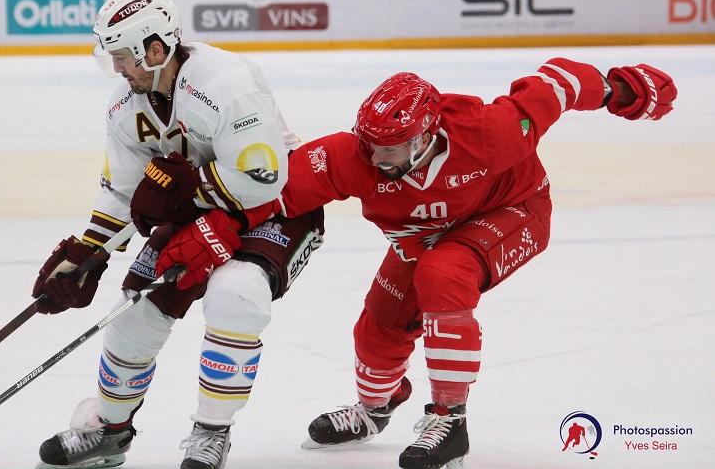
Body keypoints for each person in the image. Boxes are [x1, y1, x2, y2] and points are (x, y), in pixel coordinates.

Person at [156, 60, 676, 468]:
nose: (375, 158)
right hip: (423, 239)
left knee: (443, 275)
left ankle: (450, 420)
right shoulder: (352, 155)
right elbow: (275, 193)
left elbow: (554, 85)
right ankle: (376, 409)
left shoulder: (490, 130)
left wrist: (618, 90)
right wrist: (212, 227)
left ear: (426, 136)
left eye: (389, 148)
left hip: (513, 213)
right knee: (377, 328)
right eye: (370, 144)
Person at [31, 0, 324, 469]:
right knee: (132, 315)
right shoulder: (125, 107)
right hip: (202, 208)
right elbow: (126, 191)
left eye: (122, 56)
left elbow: (263, 178)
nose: (117, 69)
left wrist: (189, 191)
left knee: (236, 295)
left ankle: (212, 432)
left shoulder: (226, 83)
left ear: (155, 49)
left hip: (278, 207)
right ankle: (109, 431)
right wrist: (88, 253)